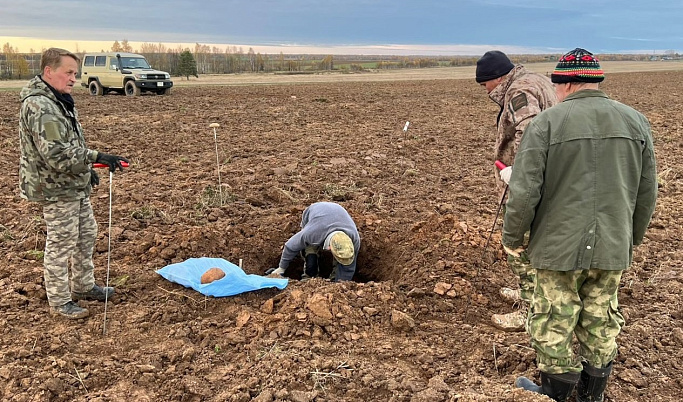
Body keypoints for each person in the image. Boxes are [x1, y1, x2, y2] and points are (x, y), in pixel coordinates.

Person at [502, 48, 657, 401]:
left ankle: (554, 392)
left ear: (567, 83)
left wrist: (513, 237)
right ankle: (592, 394)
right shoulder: (636, 121)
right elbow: (647, 191)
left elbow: (525, 192)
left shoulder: (546, 124)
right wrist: (630, 237)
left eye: (556, 84)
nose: (555, 91)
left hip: (557, 247)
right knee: (601, 318)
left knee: (553, 318)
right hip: (613, 244)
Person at [19, 48, 129, 319]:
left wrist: (86, 168)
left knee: (86, 233)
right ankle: (59, 300)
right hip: (55, 186)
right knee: (62, 241)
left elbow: (70, 144)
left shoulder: (59, 99)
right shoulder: (40, 105)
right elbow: (55, 153)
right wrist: (95, 157)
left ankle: (83, 286)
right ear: (48, 71)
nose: (73, 78)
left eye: (75, 73)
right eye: (68, 72)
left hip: (71, 181)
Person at [475, 50, 558, 331]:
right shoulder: (535, 80)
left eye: (485, 84)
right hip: (547, 179)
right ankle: (527, 293)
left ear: (497, 78)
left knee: (519, 242)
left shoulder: (519, 91)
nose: (485, 90)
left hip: (531, 185)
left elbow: (530, 131)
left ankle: (530, 311)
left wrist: (520, 176)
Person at [268, 202, 360, 281]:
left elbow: (347, 269)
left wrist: (338, 287)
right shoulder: (312, 233)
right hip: (316, 213)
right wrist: (281, 268)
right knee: (311, 264)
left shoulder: (354, 240)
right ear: (329, 248)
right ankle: (308, 278)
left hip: (338, 212)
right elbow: (290, 246)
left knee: (341, 267)